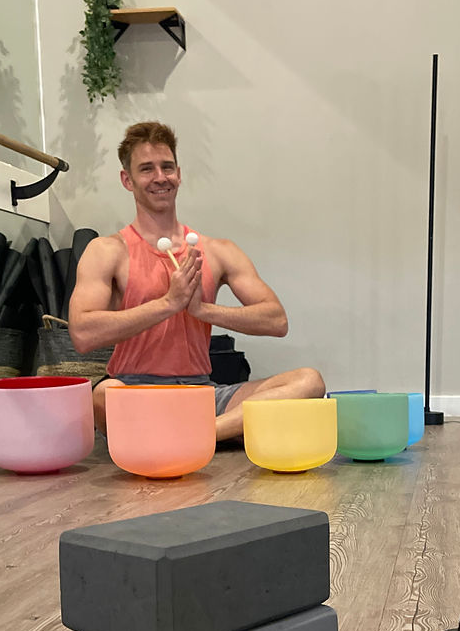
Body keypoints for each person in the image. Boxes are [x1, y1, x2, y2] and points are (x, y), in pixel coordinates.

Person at [68, 121, 325, 440]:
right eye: (147, 169)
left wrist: (203, 310)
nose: (160, 177)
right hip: (134, 393)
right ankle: (199, 436)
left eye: (167, 167)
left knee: (309, 381)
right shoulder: (107, 250)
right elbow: (82, 333)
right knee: (104, 395)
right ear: (127, 180)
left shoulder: (218, 250)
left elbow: (276, 320)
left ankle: (199, 435)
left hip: (202, 395)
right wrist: (167, 304)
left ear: (179, 173)